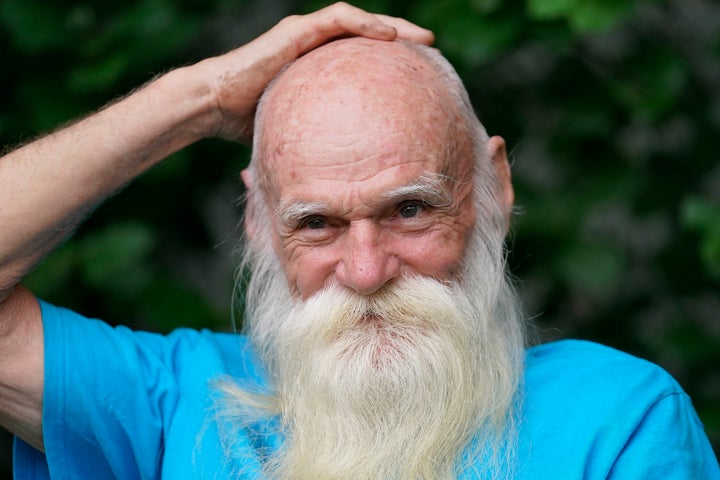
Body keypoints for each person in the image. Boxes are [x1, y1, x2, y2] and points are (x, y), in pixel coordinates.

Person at [0, 2, 717, 479]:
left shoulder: (618, 418)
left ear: (494, 185)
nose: (367, 269)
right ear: (258, 219)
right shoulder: (175, 401)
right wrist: (202, 101)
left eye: (409, 210)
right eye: (317, 224)